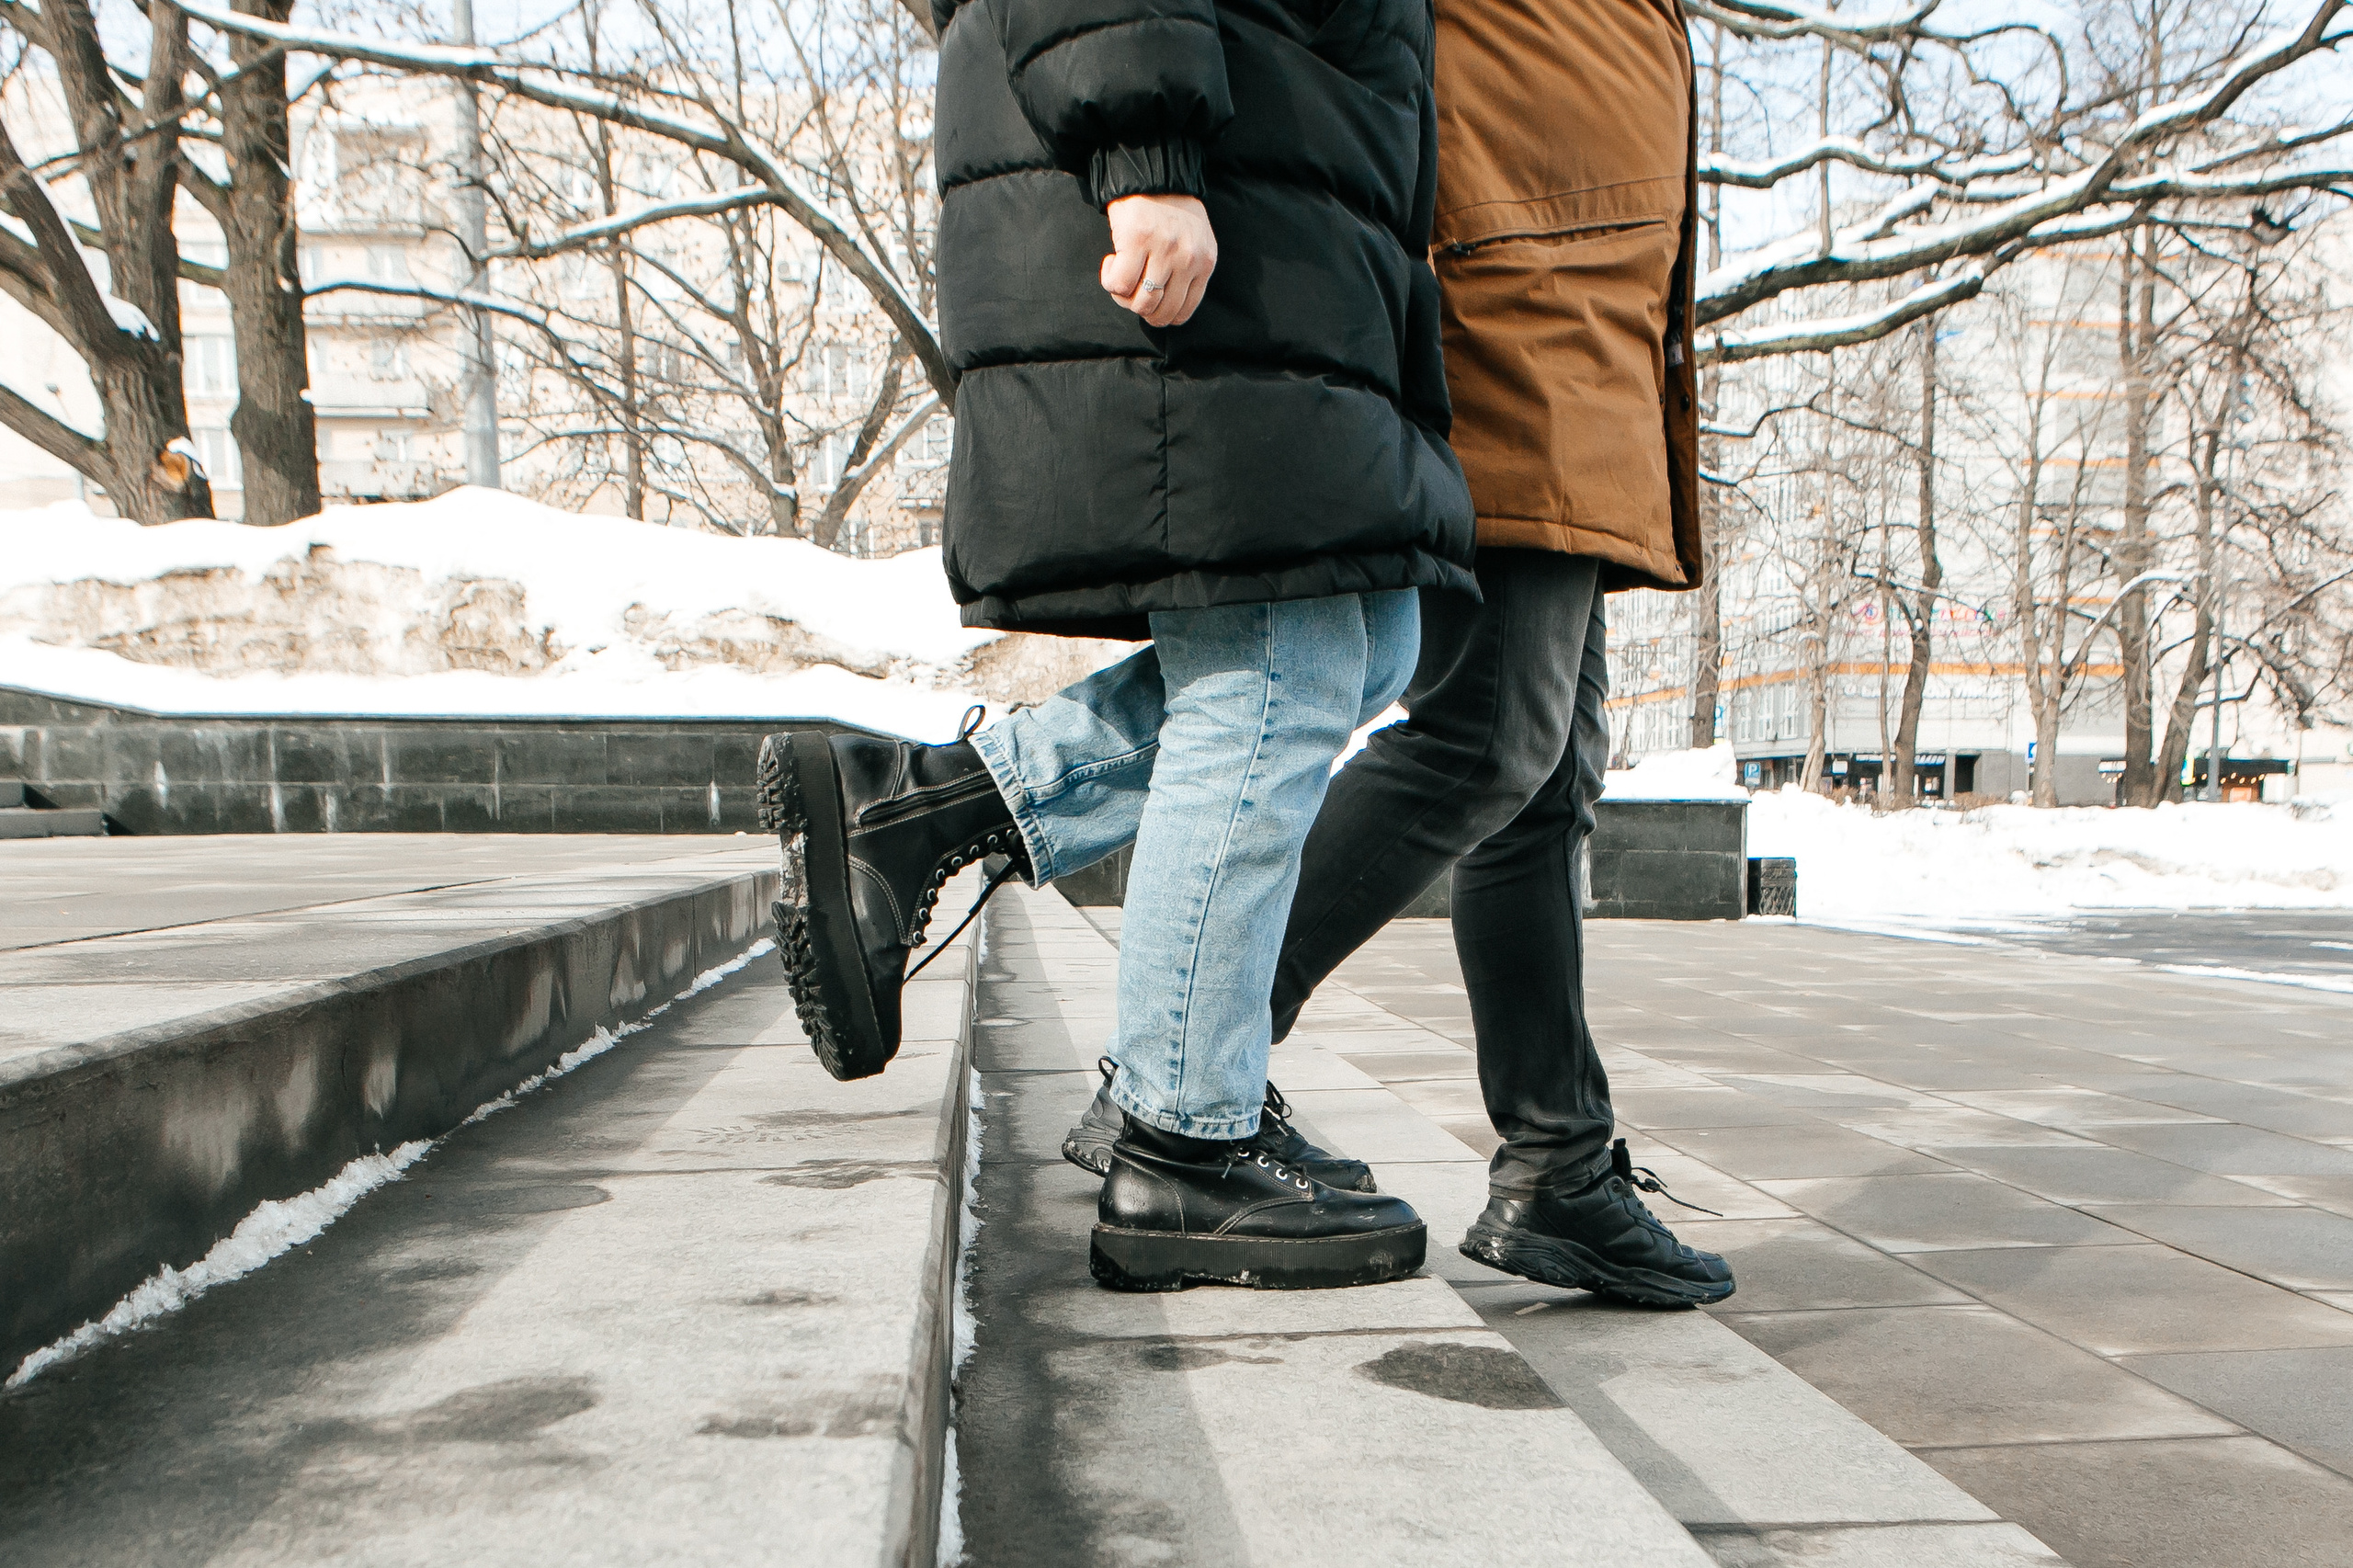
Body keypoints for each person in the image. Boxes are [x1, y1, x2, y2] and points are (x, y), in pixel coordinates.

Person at [762, 0, 1474, 1291]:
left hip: (1291, 201)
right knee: (1280, 655)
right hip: (1198, 178)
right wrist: (1144, 144)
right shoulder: (1159, 147)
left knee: (1364, 643)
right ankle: (1182, 1138)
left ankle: (926, 814)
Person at [1059, 0, 1739, 1308]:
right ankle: (1180, 1074)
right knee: (1492, 737)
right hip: (1510, 312)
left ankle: (1559, 1163)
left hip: (1576, 325)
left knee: (1546, 774)